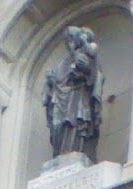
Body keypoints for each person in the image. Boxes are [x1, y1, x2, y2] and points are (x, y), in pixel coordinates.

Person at [43, 26, 103, 162]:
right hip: (61, 101)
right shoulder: (63, 62)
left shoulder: (86, 55)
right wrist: (51, 81)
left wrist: (83, 69)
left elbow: (93, 74)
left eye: (71, 39)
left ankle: (78, 153)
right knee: (58, 126)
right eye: (67, 40)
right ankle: (59, 156)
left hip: (79, 97)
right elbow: (57, 83)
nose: (69, 43)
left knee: (77, 124)